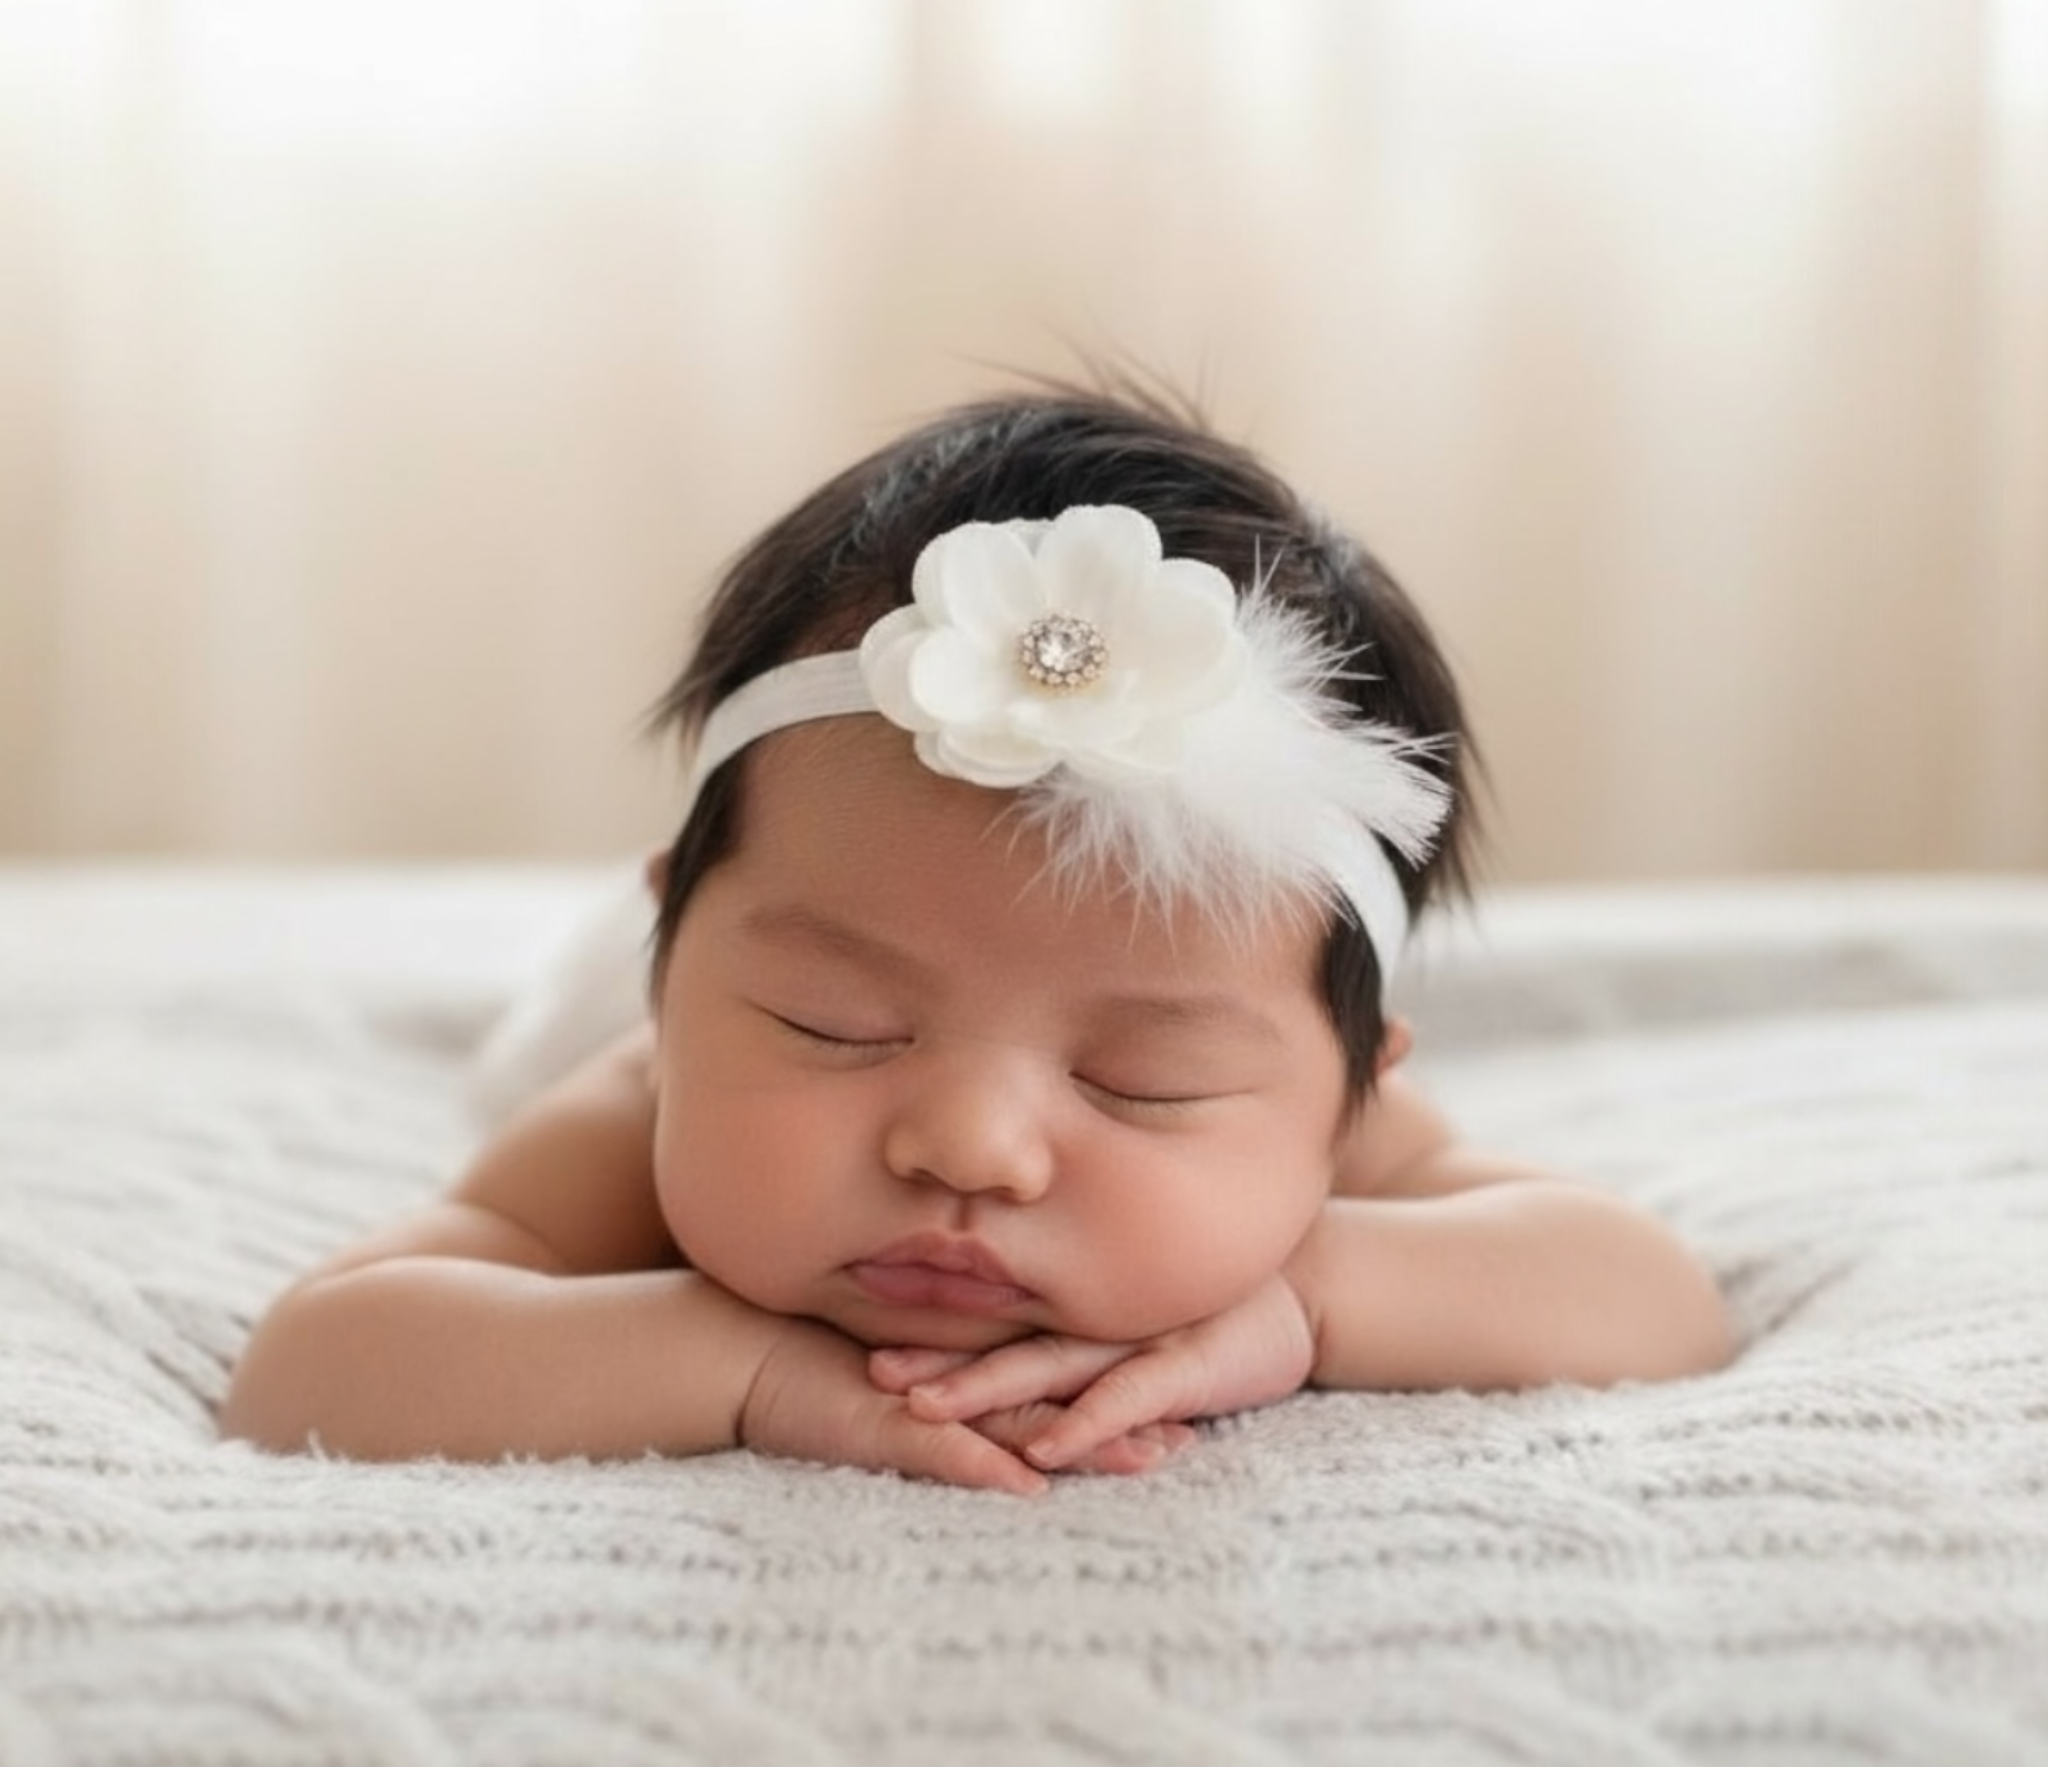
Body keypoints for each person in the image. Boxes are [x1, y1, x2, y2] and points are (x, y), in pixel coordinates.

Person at [222, 387, 1734, 1495]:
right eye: (835, 1023)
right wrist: (743, 1368)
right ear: (676, 986)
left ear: (1351, 1091)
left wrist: (1304, 1300)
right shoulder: (635, 1101)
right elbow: (325, 1357)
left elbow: (1648, 1294)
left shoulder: (1325, 1134)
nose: (970, 1145)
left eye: (1143, 1081)